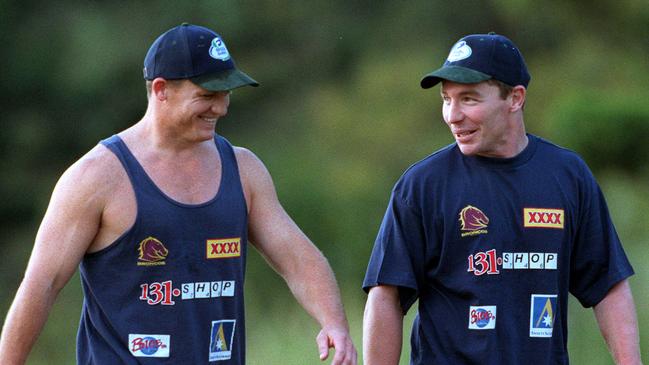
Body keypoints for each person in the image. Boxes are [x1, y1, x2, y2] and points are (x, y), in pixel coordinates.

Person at [0, 23, 356, 364]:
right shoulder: (97, 177)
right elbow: (42, 285)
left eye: (225, 94)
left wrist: (335, 323)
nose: (220, 108)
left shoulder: (243, 170)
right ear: (160, 90)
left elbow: (296, 257)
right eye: (206, 96)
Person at [362, 33, 641, 364]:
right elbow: (386, 295)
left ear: (515, 98)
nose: (453, 115)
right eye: (446, 99)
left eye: (469, 99)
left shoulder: (568, 175)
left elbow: (608, 286)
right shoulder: (423, 185)